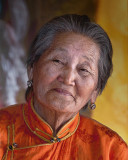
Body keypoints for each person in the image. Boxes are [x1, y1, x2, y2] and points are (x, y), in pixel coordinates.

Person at [0, 14, 127, 160]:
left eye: (84, 70)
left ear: (95, 91)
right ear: (32, 69)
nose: (68, 79)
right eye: (58, 60)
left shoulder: (112, 150)